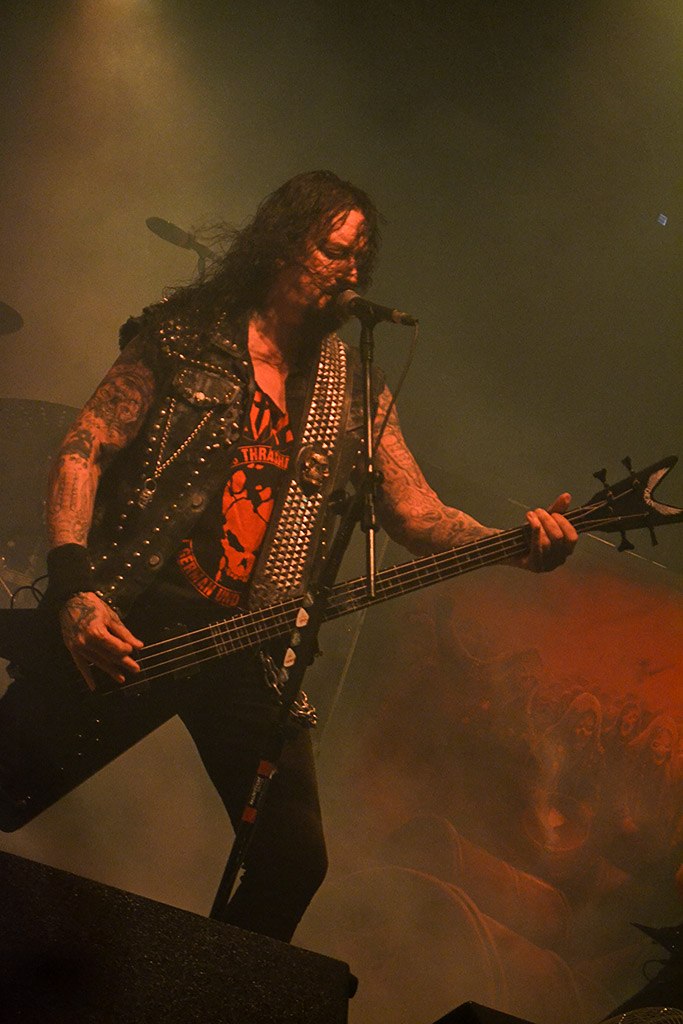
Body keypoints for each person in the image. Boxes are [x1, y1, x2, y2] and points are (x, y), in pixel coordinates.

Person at [42, 170, 577, 942]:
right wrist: (74, 590)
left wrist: (515, 547)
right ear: (280, 247)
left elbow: (417, 514)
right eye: (333, 250)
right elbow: (84, 449)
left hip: (245, 649)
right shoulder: (184, 336)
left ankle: (214, 992)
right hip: (132, 621)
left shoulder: (351, 388)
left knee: (292, 858)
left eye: (361, 257)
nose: (351, 271)